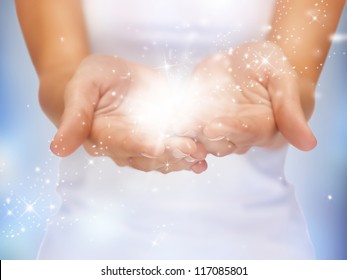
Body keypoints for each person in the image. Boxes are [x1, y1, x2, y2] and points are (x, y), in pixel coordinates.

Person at [15, 0, 345, 259]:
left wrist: (277, 99)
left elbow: (295, 82)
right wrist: (79, 98)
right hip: (86, 250)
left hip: (265, 251)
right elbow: (60, 74)